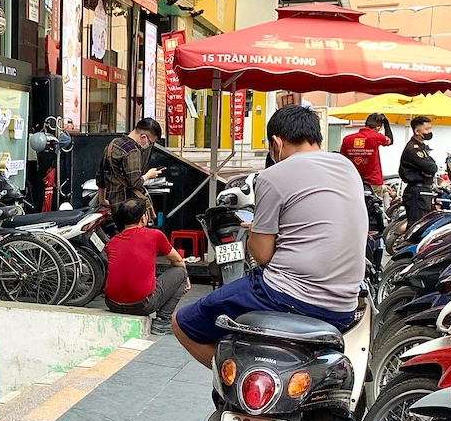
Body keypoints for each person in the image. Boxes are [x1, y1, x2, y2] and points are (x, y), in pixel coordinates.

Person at [172, 105, 366, 368]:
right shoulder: (347, 166)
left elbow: (262, 255)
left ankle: (237, 386)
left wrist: (255, 234)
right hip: (345, 306)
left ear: (276, 142)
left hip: (286, 295)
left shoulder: (274, 175)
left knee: (183, 322)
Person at [102, 199, 189, 334]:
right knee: (180, 273)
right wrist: (186, 279)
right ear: (144, 218)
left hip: (112, 304)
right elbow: (178, 261)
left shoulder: (112, 242)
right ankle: (162, 321)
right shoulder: (155, 235)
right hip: (142, 306)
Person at [98, 117, 163, 218]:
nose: (149, 145)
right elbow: (135, 183)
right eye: (150, 142)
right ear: (143, 137)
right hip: (130, 209)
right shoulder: (132, 151)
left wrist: (101, 198)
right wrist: (148, 175)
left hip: (114, 205)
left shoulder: (112, 144)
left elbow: (100, 174)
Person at [398, 115, 437, 226]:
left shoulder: (421, 146)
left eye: (430, 128)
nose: (429, 131)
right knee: (417, 226)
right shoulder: (413, 149)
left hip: (422, 191)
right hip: (417, 193)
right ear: (417, 131)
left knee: (423, 224)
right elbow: (431, 168)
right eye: (426, 129)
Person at [339, 113, 393, 187]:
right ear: (377, 128)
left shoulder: (347, 139)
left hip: (353, 181)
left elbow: (342, 159)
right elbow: (390, 141)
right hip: (373, 181)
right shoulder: (377, 137)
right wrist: (386, 124)